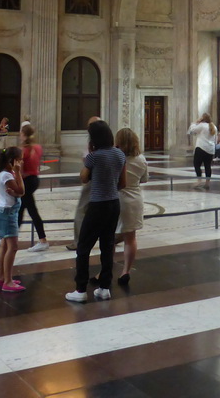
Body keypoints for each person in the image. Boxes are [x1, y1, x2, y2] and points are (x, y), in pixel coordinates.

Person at [66, 120, 127, 303]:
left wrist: (90, 162)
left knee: (83, 247)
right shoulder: (119, 154)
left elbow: (84, 178)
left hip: (97, 205)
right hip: (114, 203)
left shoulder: (95, 156)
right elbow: (123, 183)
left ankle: (80, 289)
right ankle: (104, 288)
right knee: (107, 246)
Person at [115, 127, 148, 286]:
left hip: (118, 198)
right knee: (130, 238)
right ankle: (126, 271)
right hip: (134, 199)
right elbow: (145, 179)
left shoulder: (116, 158)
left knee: (109, 238)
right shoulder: (141, 159)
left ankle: (104, 271)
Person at [0, 146, 25, 292]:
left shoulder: (4, 173)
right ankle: (8, 282)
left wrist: (16, 192)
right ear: (12, 160)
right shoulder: (7, 175)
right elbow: (22, 191)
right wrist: (18, 172)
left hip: (4, 211)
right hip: (7, 213)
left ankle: (2, 278)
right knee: (13, 247)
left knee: (4, 245)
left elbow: (17, 192)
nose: (21, 163)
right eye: (19, 160)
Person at [67, 115, 100, 251]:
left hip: (93, 181)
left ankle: (79, 241)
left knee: (82, 210)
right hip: (104, 183)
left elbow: (86, 171)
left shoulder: (94, 145)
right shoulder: (107, 144)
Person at [18, 124, 49, 252]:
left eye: (20, 133)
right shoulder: (38, 147)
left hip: (26, 181)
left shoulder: (24, 150)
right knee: (21, 209)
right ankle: (10, 237)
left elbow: (20, 169)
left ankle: (43, 240)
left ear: (24, 135)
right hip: (35, 180)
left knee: (31, 210)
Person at [188, 113, 217, 187]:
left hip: (201, 147)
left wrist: (195, 122)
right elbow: (215, 140)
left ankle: (199, 180)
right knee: (208, 166)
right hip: (210, 149)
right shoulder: (214, 127)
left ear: (202, 119)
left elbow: (192, 130)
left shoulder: (202, 125)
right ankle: (207, 182)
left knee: (196, 164)